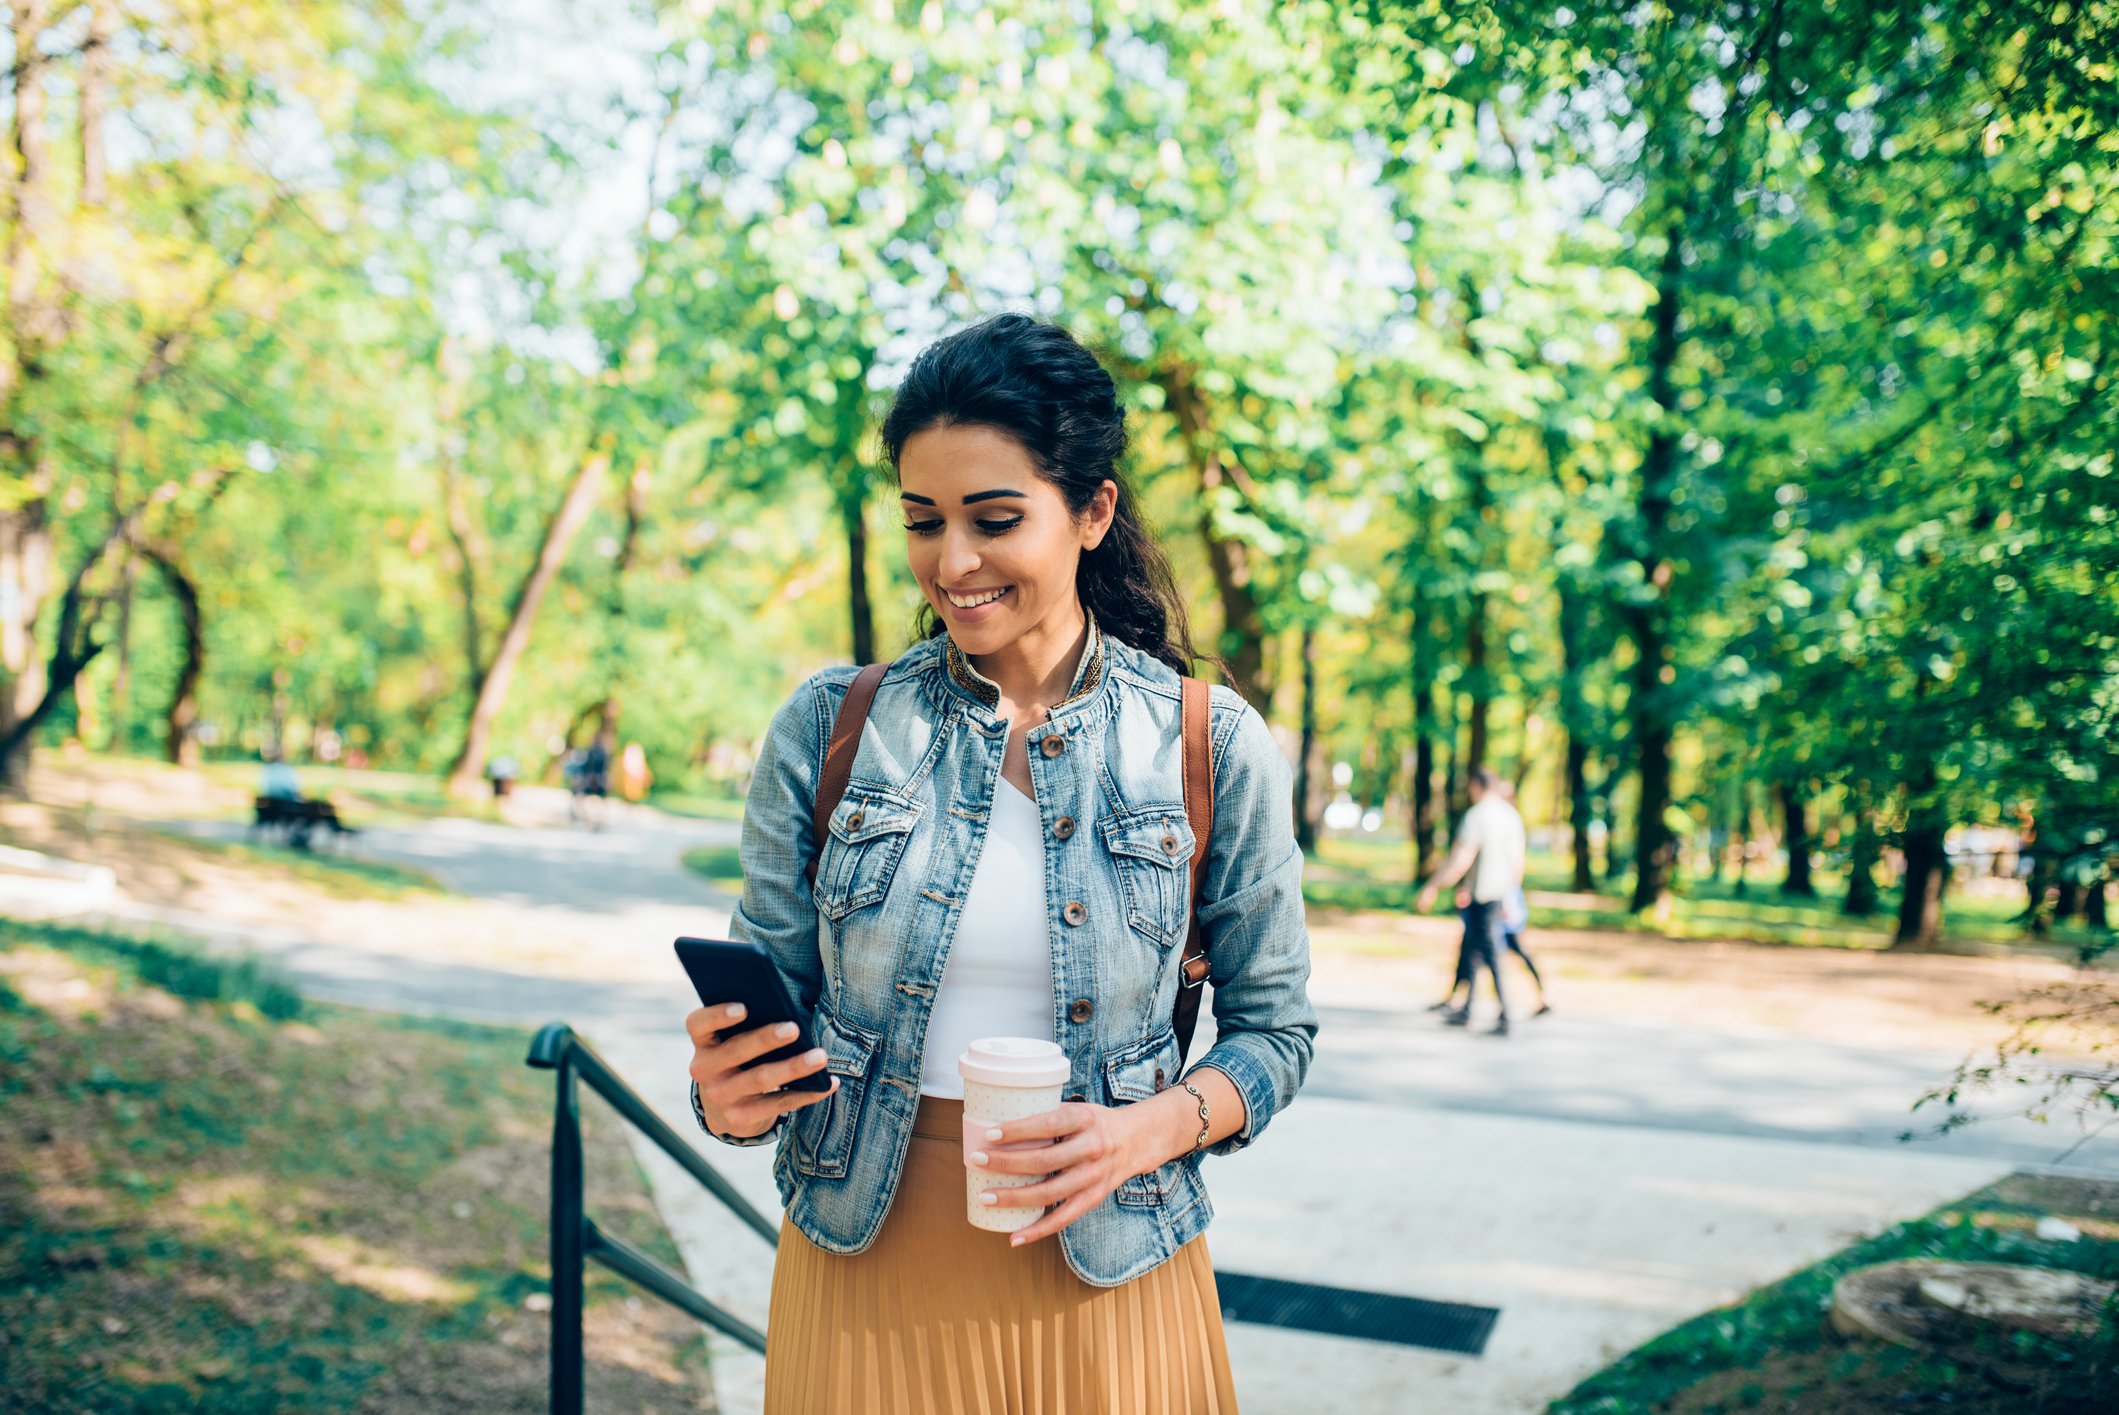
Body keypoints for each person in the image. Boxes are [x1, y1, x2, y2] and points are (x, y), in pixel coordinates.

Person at [683, 314, 1317, 1413]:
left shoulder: (1209, 744)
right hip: (863, 1269)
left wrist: (1142, 1131)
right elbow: (768, 1011)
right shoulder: (832, 726)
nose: (953, 560)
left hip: (1113, 1272)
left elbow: (1277, 1031)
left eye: (994, 518)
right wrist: (727, 1093)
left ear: (1092, 510)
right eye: (924, 521)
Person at [1415, 766, 1526, 1035]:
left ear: (1477, 786)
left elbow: (1461, 859)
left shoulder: (1477, 816)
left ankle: (1505, 1015)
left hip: (1483, 897)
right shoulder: (1511, 815)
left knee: (1488, 953)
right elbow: (1517, 863)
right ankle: (1467, 1009)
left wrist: (1432, 886)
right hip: (1498, 895)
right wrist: (1511, 895)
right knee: (1473, 950)